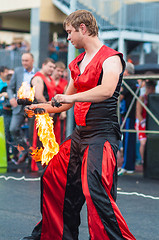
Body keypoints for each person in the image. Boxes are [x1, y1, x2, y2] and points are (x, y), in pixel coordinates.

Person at [21, 10, 136, 240]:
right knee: (54, 178)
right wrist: (39, 108)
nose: (68, 38)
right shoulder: (77, 63)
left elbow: (106, 90)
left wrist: (70, 98)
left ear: (83, 28)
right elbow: (62, 104)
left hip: (102, 136)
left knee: (95, 190)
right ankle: (58, 235)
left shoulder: (111, 57)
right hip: (80, 135)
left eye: (70, 32)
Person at [7, 53, 39, 163]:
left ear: (32, 61)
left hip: (33, 106)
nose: (24, 63)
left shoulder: (38, 72)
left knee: (32, 133)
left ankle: (31, 159)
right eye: (23, 60)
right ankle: (25, 150)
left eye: (26, 60)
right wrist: (11, 98)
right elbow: (10, 88)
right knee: (13, 129)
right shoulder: (18, 71)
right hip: (19, 106)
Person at [27, 58, 55, 170]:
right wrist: (49, 109)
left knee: (45, 138)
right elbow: (39, 96)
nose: (52, 69)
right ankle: (34, 164)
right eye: (50, 66)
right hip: (39, 112)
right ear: (43, 65)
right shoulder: (38, 77)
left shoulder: (49, 78)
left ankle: (43, 162)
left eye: (53, 67)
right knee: (36, 138)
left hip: (46, 112)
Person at [118, 62, 137, 176]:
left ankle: (127, 166)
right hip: (131, 115)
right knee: (129, 140)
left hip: (129, 115)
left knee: (128, 140)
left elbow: (120, 96)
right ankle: (129, 165)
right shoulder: (135, 81)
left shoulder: (129, 81)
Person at [135, 79, 156, 163]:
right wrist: (143, 123)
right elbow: (138, 113)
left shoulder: (154, 97)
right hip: (142, 122)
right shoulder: (142, 98)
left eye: (153, 88)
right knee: (143, 143)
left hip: (151, 122)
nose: (152, 90)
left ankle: (151, 160)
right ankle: (144, 160)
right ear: (147, 88)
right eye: (150, 88)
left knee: (151, 142)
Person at [52, 61, 68, 144]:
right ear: (54, 69)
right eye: (58, 70)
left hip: (59, 111)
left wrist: (63, 111)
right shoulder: (48, 80)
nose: (60, 73)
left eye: (62, 71)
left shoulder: (64, 83)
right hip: (49, 110)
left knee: (59, 135)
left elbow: (66, 97)